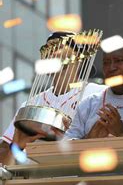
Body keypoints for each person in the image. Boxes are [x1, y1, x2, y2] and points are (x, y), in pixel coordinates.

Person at [0, 32, 107, 164]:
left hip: (80, 176)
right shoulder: (29, 105)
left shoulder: (100, 94)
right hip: (36, 179)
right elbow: (5, 158)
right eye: (47, 48)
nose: (50, 52)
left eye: (57, 46)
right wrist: (15, 147)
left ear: (78, 56)